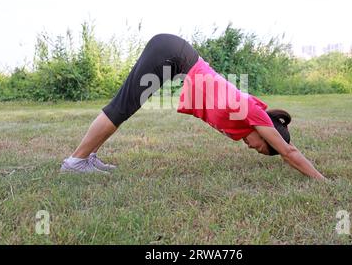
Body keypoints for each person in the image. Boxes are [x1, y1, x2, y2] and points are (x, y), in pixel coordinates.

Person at [60, 33, 325, 180]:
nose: (253, 148)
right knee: (122, 107)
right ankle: (76, 161)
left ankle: (88, 157)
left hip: (175, 57)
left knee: (124, 108)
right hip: (172, 52)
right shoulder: (252, 112)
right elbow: (289, 152)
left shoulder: (243, 123)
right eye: (261, 147)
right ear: (268, 135)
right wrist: (321, 181)